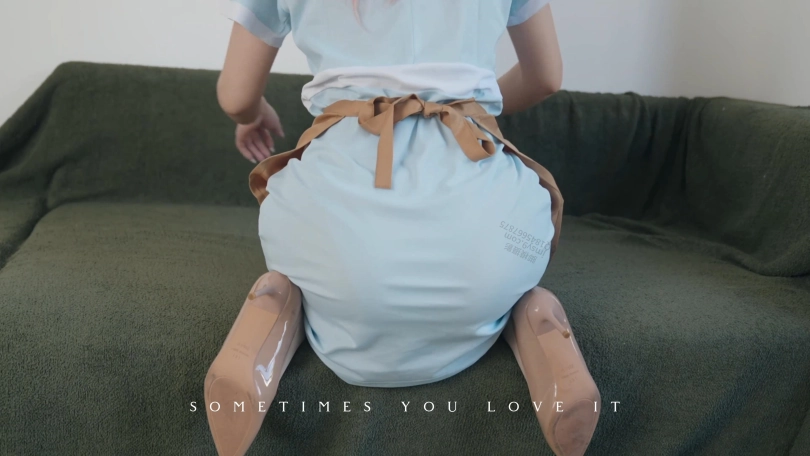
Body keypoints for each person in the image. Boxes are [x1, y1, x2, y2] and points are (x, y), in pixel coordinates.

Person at [204, 1, 601, 455]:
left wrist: (251, 116)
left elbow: (235, 95)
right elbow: (546, 77)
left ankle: (279, 306)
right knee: (511, 252)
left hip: (332, 227)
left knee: (314, 255)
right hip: (490, 232)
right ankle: (528, 311)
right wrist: (468, 107)